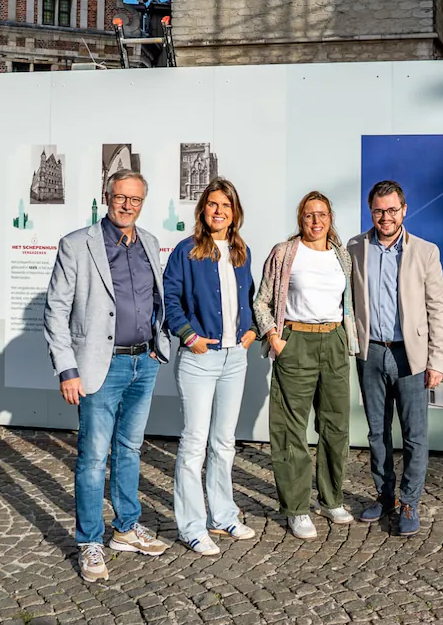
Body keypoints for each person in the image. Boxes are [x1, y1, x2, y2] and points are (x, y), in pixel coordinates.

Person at [44, 169, 172, 583]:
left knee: (131, 450)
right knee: (93, 458)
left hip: (142, 362)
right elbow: (56, 312)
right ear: (106, 196)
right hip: (100, 366)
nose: (127, 205)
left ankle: (126, 528)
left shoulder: (150, 243)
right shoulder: (77, 244)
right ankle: (89, 542)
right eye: (120, 197)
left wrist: (158, 343)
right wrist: (67, 369)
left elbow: (156, 300)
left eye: (135, 200)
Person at [253, 191, 359, 540]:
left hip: (333, 341)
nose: (316, 221)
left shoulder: (342, 256)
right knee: (290, 429)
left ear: (331, 218)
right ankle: (297, 508)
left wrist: (346, 339)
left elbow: (349, 303)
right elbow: (262, 301)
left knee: (336, 426)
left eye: (323, 215)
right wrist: (274, 337)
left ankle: (331, 498)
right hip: (295, 341)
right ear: (301, 219)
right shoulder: (285, 253)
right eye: (310, 215)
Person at [163, 178, 258, 555]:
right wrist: (190, 336)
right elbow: (169, 299)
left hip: (235, 359)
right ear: (203, 209)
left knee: (224, 443)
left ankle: (222, 515)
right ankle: (191, 526)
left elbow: (248, 299)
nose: (219, 211)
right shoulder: (186, 252)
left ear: (235, 214)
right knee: (193, 444)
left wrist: (250, 331)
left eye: (226, 206)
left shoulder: (241, 252)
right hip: (199, 359)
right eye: (213, 204)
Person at [348, 180, 443, 536]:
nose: (385, 217)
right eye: (378, 210)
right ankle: (385, 495)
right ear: (370, 211)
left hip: (411, 354)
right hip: (371, 351)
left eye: (392, 210)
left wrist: (437, 360)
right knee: (377, 432)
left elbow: (437, 308)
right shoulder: (356, 247)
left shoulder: (424, 251)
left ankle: (409, 501)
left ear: (404, 210)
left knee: (414, 435)